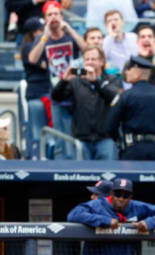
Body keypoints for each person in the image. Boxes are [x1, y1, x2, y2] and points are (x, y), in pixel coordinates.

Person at [28, 0, 86, 159]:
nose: (53, 17)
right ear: (45, 19)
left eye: (56, 14)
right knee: (60, 134)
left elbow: (87, 49)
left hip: (76, 91)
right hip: (56, 93)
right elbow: (32, 58)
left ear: (62, 16)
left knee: (77, 132)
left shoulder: (70, 35)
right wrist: (45, 37)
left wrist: (71, 30)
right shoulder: (43, 39)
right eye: (49, 15)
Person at [106, 56, 155, 160]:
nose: (126, 73)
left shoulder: (126, 96)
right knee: (154, 176)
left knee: (130, 176)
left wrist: (120, 141)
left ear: (137, 73)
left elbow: (110, 126)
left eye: (129, 69)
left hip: (131, 150)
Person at [51, 46, 122, 160]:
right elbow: (56, 97)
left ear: (102, 62)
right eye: (87, 59)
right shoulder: (76, 81)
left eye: (93, 59)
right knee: (82, 176)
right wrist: (64, 81)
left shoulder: (112, 79)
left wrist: (96, 82)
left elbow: (115, 98)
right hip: (82, 140)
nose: (89, 62)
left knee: (108, 175)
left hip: (105, 139)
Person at [20, 17, 51, 158]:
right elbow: (35, 59)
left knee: (50, 133)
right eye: (40, 30)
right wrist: (44, 38)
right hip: (36, 93)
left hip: (49, 91)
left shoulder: (47, 45)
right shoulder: (28, 47)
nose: (43, 32)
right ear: (33, 33)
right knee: (37, 132)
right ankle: (36, 158)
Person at [103, 10, 138, 77]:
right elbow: (102, 59)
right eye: (109, 21)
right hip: (116, 77)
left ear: (123, 22)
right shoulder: (105, 41)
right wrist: (111, 37)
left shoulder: (133, 37)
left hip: (135, 75)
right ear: (106, 25)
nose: (113, 22)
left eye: (116, 19)